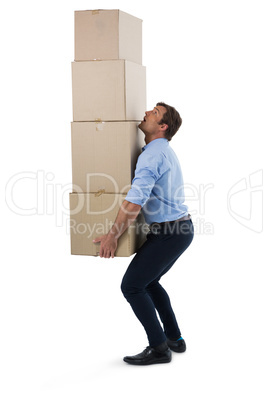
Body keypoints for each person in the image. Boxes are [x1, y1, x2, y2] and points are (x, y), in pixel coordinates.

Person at [93, 102, 194, 365]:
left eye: (155, 113)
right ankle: (175, 338)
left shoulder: (152, 155)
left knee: (132, 286)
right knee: (148, 283)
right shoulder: (160, 150)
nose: (147, 112)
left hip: (171, 232)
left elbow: (135, 201)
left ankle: (160, 348)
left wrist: (113, 235)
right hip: (179, 230)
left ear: (162, 127)